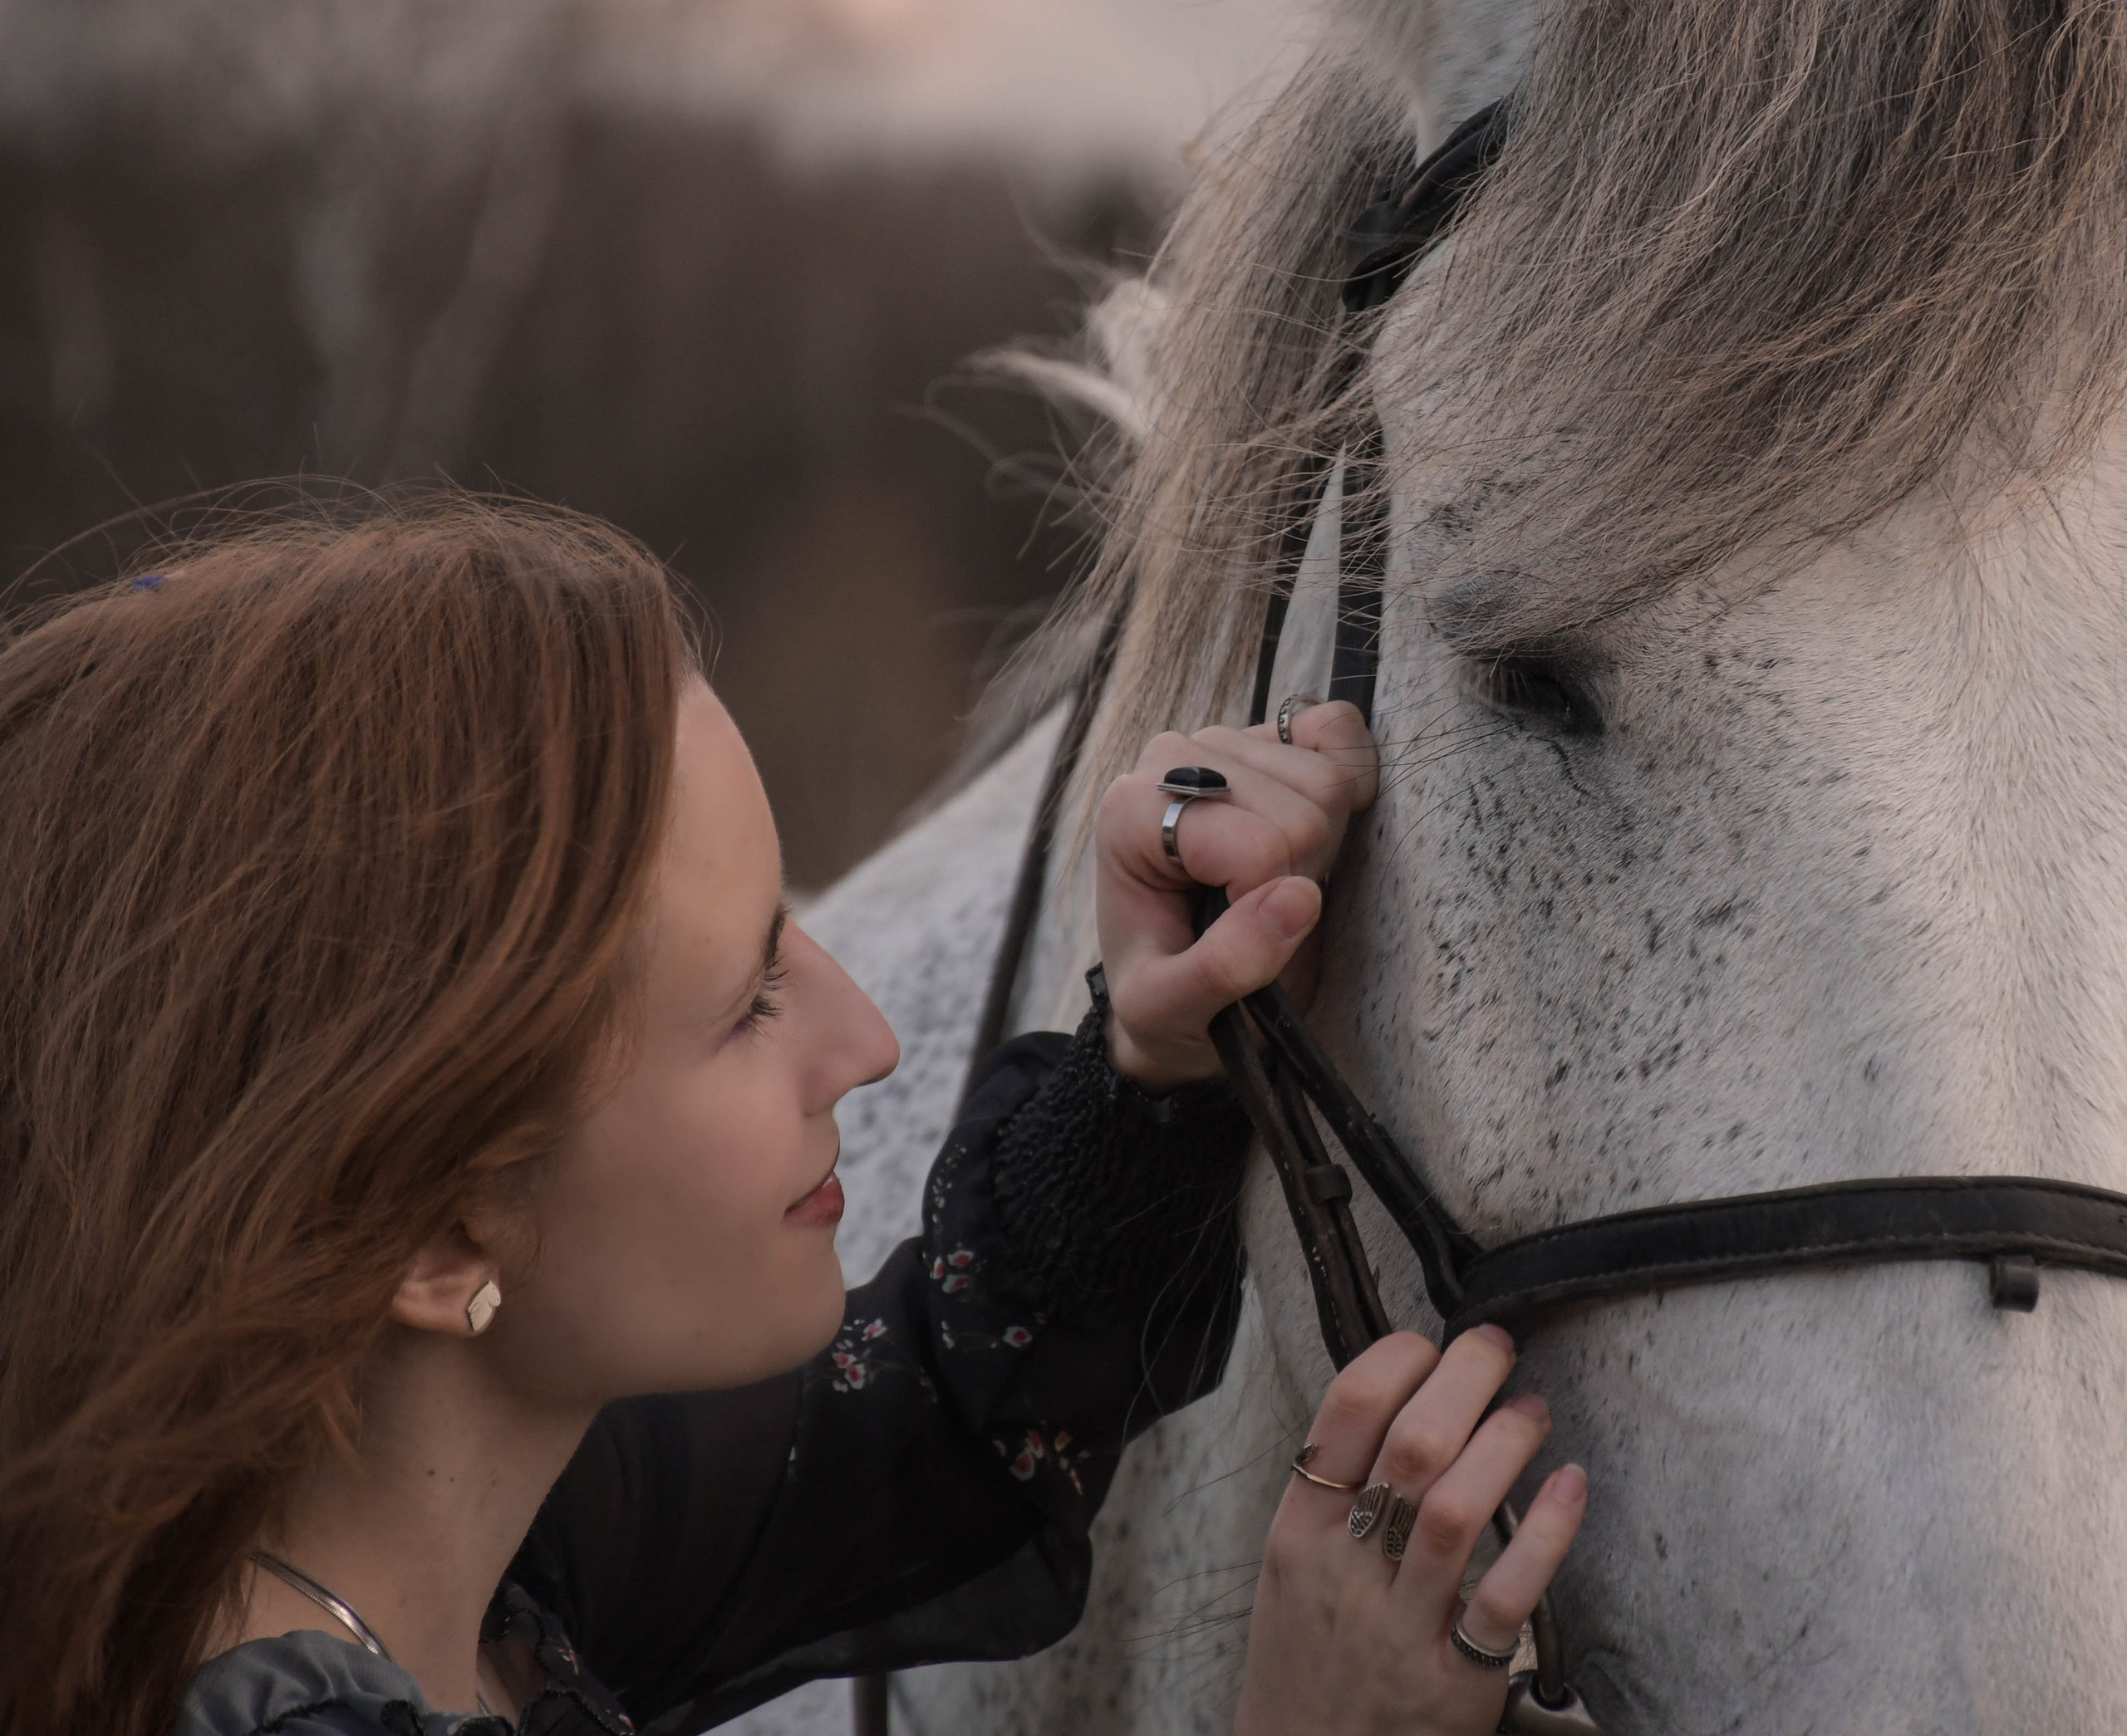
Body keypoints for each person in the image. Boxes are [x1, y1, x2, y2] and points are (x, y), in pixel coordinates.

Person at [0, 497, 1584, 1736]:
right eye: (750, 1000)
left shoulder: (424, 1558)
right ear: (438, 1226)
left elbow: (932, 1432)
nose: (872, 1039)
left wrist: (1157, 1059)